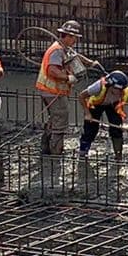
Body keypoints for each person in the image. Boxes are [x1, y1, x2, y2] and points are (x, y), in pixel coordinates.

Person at [35, 20, 95, 155]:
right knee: (60, 120)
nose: (76, 41)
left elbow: (74, 55)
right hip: (53, 91)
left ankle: (45, 148)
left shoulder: (63, 47)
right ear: (67, 36)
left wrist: (89, 62)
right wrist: (68, 78)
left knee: (54, 119)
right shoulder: (57, 51)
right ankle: (56, 151)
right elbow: (52, 71)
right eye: (74, 38)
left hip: (50, 90)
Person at [78, 70, 128, 158]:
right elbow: (81, 96)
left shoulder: (124, 91)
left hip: (113, 104)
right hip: (97, 103)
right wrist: (87, 113)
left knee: (116, 128)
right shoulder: (98, 87)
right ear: (110, 86)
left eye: (120, 90)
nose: (118, 92)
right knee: (90, 128)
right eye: (116, 90)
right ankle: (83, 152)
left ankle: (118, 155)